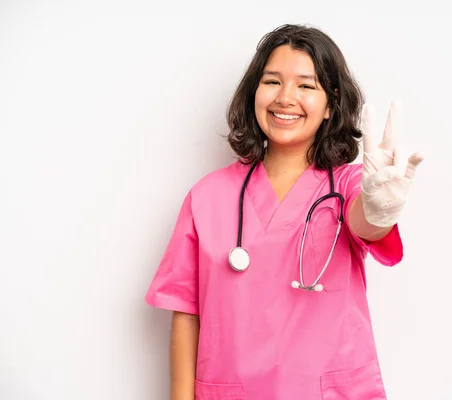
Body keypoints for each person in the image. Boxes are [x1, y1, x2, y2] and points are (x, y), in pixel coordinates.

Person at [145, 23, 424, 400]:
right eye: (272, 81)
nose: (286, 98)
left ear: (331, 105)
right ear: (254, 93)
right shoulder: (207, 196)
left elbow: (367, 223)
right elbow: (185, 312)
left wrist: (379, 210)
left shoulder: (347, 187)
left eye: (307, 86)